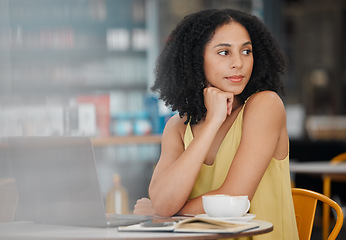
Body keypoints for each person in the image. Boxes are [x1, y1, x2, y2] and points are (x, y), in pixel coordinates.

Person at [134, 8, 299, 240]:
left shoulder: (265, 106)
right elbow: (163, 201)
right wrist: (212, 122)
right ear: (195, 59)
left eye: (246, 51)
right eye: (224, 52)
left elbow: (234, 199)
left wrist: (166, 214)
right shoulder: (178, 127)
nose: (238, 63)